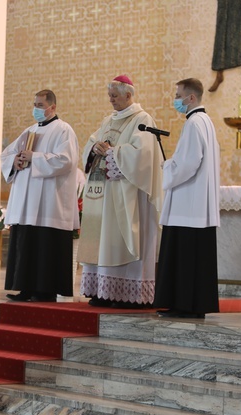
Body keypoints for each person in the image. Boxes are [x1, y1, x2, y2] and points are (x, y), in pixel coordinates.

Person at [78, 75, 163, 309]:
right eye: (109, 96)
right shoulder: (109, 120)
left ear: (128, 95)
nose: (111, 100)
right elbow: (92, 142)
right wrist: (95, 148)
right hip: (104, 195)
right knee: (102, 242)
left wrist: (113, 153)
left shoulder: (142, 119)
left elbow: (144, 156)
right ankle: (103, 291)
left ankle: (130, 293)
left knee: (122, 241)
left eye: (115, 96)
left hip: (128, 196)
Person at [1, 89, 80, 303]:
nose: (36, 109)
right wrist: (15, 160)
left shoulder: (64, 130)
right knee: (27, 242)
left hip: (49, 202)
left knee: (45, 245)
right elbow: (6, 155)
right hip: (26, 203)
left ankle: (45, 291)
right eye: (35, 104)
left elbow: (66, 160)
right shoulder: (29, 131)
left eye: (41, 105)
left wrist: (34, 157)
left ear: (52, 107)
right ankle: (25, 288)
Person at [154, 78, 221, 319]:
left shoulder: (194, 123)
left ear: (191, 98)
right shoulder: (205, 121)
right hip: (194, 204)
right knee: (193, 257)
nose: (176, 100)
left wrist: (167, 168)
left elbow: (189, 162)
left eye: (178, 95)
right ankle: (191, 304)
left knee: (183, 256)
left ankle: (183, 305)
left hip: (187, 203)